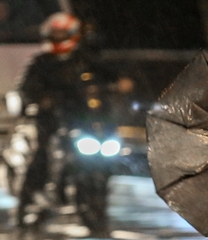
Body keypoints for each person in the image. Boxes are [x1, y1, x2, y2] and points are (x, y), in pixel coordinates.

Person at [13, 12, 129, 227]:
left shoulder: (85, 60)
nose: (58, 38)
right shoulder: (42, 63)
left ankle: (96, 197)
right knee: (42, 153)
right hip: (53, 119)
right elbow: (26, 88)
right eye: (54, 34)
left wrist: (121, 82)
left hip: (82, 120)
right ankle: (28, 197)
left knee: (109, 150)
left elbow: (111, 75)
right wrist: (42, 98)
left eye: (62, 34)